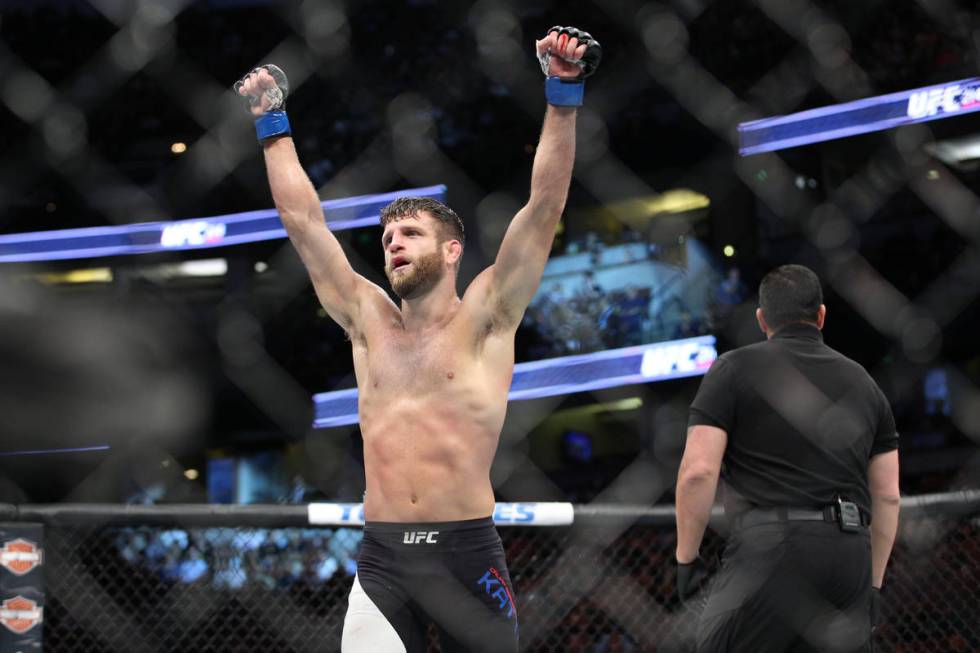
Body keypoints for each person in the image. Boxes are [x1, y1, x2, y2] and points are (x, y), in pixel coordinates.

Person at [235, 25, 601, 653]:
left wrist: (562, 94)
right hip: (383, 559)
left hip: (467, 550)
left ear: (452, 250)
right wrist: (272, 122)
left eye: (409, 234)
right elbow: (302, 223)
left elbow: (544, 206)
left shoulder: (489, 314)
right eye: (387, 239)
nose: (393, 245)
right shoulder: (366, 318)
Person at [673, 264, 900, 652]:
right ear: (821, 316)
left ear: (761, 319)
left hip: (770, 548)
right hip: (849, 552)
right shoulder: (865, 382)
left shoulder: (733, 368)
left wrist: (685, 560)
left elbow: (698, 471)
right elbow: (889, 495)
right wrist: (873, 585)